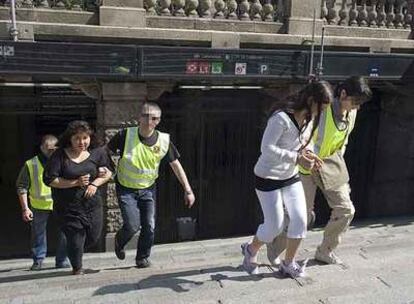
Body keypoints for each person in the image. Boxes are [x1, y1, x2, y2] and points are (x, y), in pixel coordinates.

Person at [267, 76, 372, 266]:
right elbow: (302, 135)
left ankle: (325, 251)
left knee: (346, 209)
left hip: (330, 165)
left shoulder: (352, 114)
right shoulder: (322, 109)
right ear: (343, 94)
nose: (357, 107)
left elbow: (343, 140)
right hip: (305, 168)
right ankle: (274, 249)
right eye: (355, 101)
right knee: (300, 217)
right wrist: (305, 156)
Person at [241, 81, 334, 278]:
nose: (322, 112)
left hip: (290, 176)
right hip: (267, 177)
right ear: (311, 100)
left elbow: (303, 145)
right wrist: (296, 158)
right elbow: (266, 148)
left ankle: (289, 262)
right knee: (275, 226)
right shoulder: (281, 118)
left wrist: (308, 154)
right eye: (321, 107)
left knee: (302, 219)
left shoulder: (309, 119)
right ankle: (251, 249)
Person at [108, 101, 195, 268]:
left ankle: (142, 257)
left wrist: (188, 190)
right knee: (133, 225)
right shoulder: (125, 135)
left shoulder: (163, 140)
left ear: (159, 121)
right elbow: (105, 152)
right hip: (126, 187)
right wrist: (103, 169)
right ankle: (120, 240)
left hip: (148, 188)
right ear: (139, 118)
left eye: (154, 118)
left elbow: (176, 165)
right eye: (146, 116)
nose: (149, 121)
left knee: (149, 225)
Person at [43, 121, 114, 275]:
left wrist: (95, 184)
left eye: (85, 138)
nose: (82, 142)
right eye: (77, 138)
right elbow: (49, 180)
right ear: (70, 139)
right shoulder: (59, 155)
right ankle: (77, 268)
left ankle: (74, 248)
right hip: (68, 207)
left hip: (92, 205)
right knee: (76, 237)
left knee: (93, 237)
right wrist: (75, 182)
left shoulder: (98, 152)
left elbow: (108, 172)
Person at [16, 135, 69, 271]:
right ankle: (38, 260)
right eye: (48, 149)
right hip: (39, 205)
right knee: (38, 234)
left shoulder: (64, 161)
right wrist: (25, 209)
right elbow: (22, 186)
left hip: (60, 203)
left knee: (65, 232)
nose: (51, 152)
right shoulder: (31, 164)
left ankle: (62, 260)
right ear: (41, 148)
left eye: (54, 149)